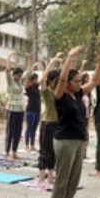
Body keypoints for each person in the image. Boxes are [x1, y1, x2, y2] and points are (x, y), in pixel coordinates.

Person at [49, 46, 100, 198]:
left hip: (79, 139)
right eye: (77, 81)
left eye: (80, 81)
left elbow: (94, 81)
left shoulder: (78, 94)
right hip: (65, 140)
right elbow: (63, 79)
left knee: (75, 177)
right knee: (63, 177)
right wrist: (69, 58)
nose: (80, 84)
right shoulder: (60, 95)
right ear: (68, 83)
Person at [37, 54, 62, 186]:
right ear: (51, 81)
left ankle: (51, 176)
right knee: (45, 150)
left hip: (57, 124)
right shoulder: (47, 92)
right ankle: (42, 176)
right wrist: (51, 62)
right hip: (47, 123)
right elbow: (42, 80)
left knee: (53, 151)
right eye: (56, 81)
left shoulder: (60, 92)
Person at [4, 51, 25, 160]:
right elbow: (7, 71)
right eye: (17, 75)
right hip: (12, 109)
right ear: (14, 75)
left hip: (20, 109)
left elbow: (29, 73)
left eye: (20, 76)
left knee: (18, 131)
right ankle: (7, 152)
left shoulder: (20, 83)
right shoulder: (11, 82)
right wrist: (8, 58)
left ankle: (14, 151)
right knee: (10, 131)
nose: (19, 77)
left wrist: (30, 61)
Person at [24, 70, 41, 153]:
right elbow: (27, 80)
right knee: (29, 128)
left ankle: (32, 145)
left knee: (34, 129)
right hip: (30, 110)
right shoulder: (29, 88)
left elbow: (43, 78)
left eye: (37, 79)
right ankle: (27, 145)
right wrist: (31, 69)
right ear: (31, 80)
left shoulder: (37, 87)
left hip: (37, 110)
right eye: (35, 79)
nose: (37, 81)